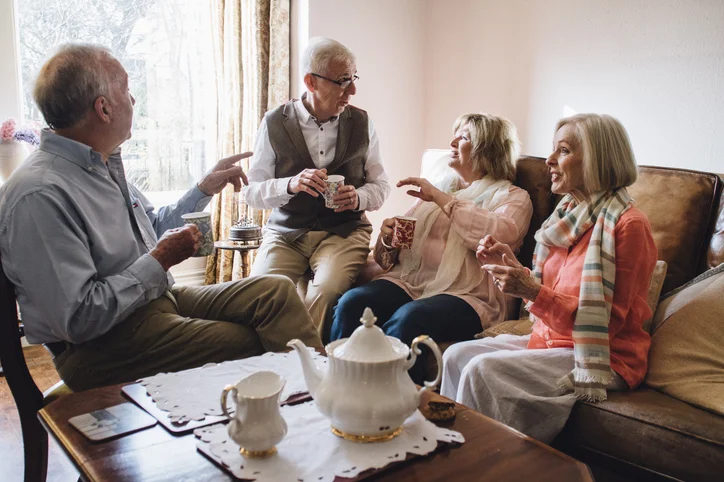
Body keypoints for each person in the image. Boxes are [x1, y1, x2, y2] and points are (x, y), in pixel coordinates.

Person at [0, 44, 321, 392]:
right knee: (248, 342)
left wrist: (202, 189)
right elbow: (79, 319)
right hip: (96, 349)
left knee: (276, 292)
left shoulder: (100, 164)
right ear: (103, 108)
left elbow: (148, 230)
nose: (134, 101)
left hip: (154, 304)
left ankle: (322, 397)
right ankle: (302, 418)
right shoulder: (40, 195)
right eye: (125, 88)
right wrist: (160, 260)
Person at [441, 114, 657, 443]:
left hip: (602, 355)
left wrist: (531, 290)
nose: (550, 161)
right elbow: (549, 291)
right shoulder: (568, 215)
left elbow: (607, 323)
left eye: (564, 150)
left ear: (598, 160)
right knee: (455, 355)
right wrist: (513, 267)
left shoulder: (628, 226)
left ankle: (486, 467)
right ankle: (455, 454)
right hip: (553, 339)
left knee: (482, 369)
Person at [330, 113, 533, 384]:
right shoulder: (438, 189)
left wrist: (441, 199)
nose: (451, 142)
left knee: (409, 319)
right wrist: (388, 238)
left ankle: (389, 400)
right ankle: (337, 385)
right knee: (351, 303)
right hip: (412, 283)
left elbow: (497, 235)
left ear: (488, 148)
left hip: (469, 295)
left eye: (463, 137)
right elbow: (396, 250)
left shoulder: (512, 197)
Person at [245, 38, 390, 336]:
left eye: (353, 79)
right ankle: (273, 365)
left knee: (325, 292)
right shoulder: (274, 123)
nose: (352, 90)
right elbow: (251, 192)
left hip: (344, 233)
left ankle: (310, 370)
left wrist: (358, 197)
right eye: (342, 81)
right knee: (260, 293)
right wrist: (290, 184)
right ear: (311, 82)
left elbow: (381, 185)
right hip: (286, 233)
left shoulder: (362, 122)